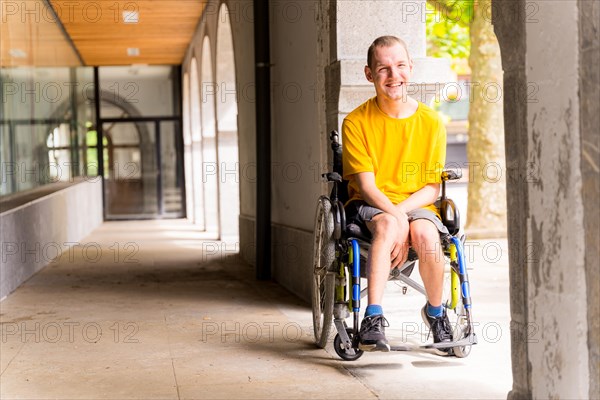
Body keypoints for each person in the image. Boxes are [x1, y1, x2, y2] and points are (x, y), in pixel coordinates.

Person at [342, 35, 452, 352]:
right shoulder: (356, 122)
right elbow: (367, 187)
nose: (394, 76)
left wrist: (402, 215)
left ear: (411, 68)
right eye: (384, 69)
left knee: (427, 235)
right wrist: (395, 217)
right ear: (369, 74)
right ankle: (373, 317)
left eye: (400, 66)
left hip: (417, 205)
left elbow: (432, 187)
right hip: (370, 205)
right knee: (389, 226)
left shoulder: (431, 122)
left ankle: (435, 312)